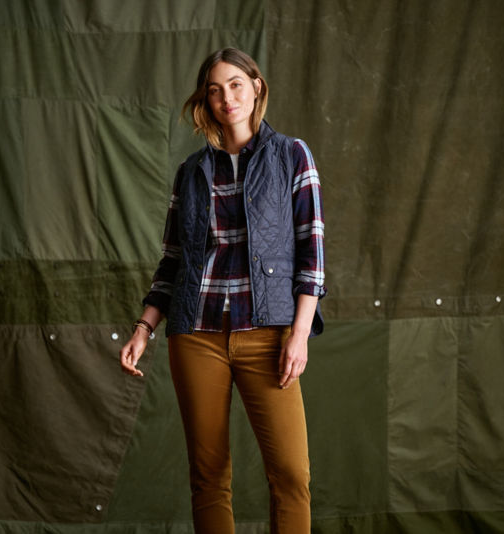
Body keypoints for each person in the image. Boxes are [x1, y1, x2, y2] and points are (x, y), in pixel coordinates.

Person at [119, 47, 326, 534]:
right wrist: (144, 328)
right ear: (206, 101)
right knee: (209, 477)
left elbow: (311, 251)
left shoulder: (292, 155)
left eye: (235, 84)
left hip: (268, 332)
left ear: (257, 87)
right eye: (214, 90)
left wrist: (298, 333)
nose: (226, 97)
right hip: (197, 334)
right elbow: (171, 260)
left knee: (291, 476)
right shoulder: (191, 173)